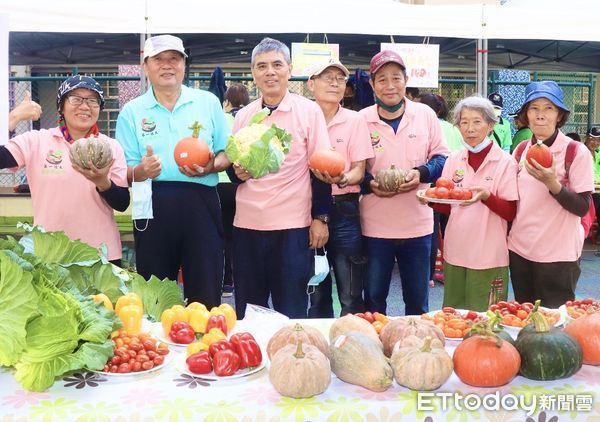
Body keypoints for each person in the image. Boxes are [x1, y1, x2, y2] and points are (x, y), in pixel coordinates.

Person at [116, 35, 230, 308]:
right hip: (152, 203)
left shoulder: (208, 102)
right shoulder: (131, 112)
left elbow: (227, 153)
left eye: (174, 59)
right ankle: (157, 347)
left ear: (184, 65)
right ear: (145, 66)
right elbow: (123, 172)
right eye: (159, 60)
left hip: (201, 201)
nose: (167, 66)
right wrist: (142, 170)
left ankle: (205, 344)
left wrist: (210, 165)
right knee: (155, 291)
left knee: (205, 288)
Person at [229, 37, 332, 319]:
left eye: (277, 65)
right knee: (249, 312)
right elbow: (234, 166)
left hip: (292, 227)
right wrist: (236, 173)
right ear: (253, 73)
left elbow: (321, 168)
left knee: (292, 309)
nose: (270, 72)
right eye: (262, 66)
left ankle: (293, 363)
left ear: (289, 69)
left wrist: (321, 217)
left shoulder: (309, 111)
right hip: (247, 225)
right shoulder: (244, 115)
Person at [1, 75, 129, 264]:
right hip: (50, 254)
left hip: (101, 255)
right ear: (61, 106)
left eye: (93, 101)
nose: (85, 106)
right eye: (76, 99)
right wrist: (13, 117)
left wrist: (102, 182)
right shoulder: (37, 141)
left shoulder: (110, 147)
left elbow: (122, 203)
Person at [360, 50, 448, 315]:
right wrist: (368, 183)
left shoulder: (425, 115)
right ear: (372, 84)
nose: (390, 86)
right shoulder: (361, 119)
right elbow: (352, 166)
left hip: (418, 226)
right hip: (375, 227)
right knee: (374, 302)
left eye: (396, 78)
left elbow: (442, 158)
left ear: (406, 80)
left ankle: (416, 354)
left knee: (418, 303)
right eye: (382, 79)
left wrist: (421, 173)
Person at [421, 96, 518, 311]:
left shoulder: (505, 163)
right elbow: (446, 207)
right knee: (454, 316)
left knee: (487, 322)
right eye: (464, 122)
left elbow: (511, 211)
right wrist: (430, 199)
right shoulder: (454, 160)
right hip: (456, 253)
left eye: (477, 122)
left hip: (488, 256)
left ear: (491, 125)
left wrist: (486, 196)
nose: (470, 129)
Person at [508, 81, 594, 308]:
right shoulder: (520, 150)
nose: (540, 115)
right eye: (534, 108)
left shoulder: (575, 151)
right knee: (524, 320)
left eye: (548, 108)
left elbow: (582, 206)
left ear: (559, 115)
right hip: (520, 250)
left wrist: (551, 183)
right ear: (526, 115)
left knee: (554, 326)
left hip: (558, 255)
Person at [306, 59, 374, 317]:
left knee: (351, 292)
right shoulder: (302, 117)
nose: (334, 83)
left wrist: (343, 178)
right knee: (316, 288)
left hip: (345, 211)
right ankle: (317, 348)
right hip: (309, 213)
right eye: (327, 77)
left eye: (340, 78)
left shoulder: (355, 120)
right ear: (311, 84)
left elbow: (360, 168)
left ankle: (352, 345)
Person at [418, 93, 463, 287]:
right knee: (449, 229)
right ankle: (451, 271)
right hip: (455, 182)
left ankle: (429, 276)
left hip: (436, 182)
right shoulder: (452, 128)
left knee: (433, 230)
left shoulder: (427, 124)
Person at [219, 83, 250, 297]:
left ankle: (223, 281)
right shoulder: (248, 120)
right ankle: (234, 281)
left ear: (227, 101)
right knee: (234, 236)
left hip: (218, 184)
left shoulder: (222, 118)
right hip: (238, 186)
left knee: (219, 236)